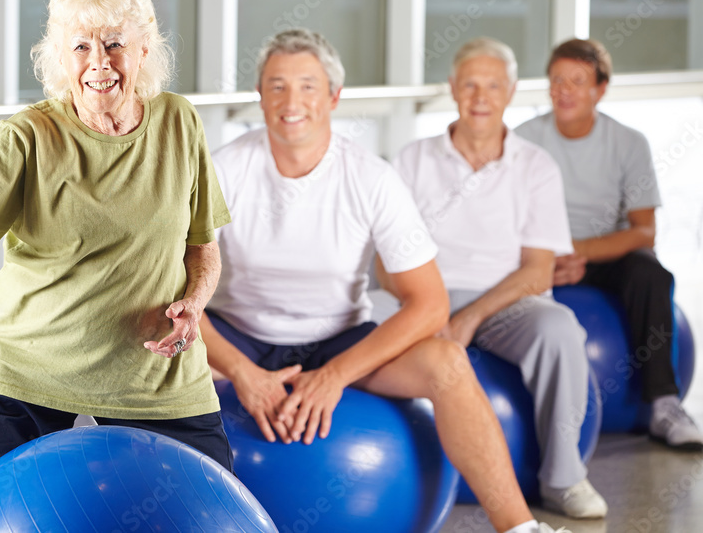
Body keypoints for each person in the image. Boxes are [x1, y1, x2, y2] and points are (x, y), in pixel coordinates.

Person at [0, 0, 233, 533]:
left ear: (144, 48)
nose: (99, 62)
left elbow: (203, 245)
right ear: (58, 57)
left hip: (153, 371)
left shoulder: (179, 122)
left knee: (218, 513)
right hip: (28, 367)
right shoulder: (26, 136)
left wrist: (195, 302)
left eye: (114, 44)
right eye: (80, 47)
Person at [203, 28, 548, 533]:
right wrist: (240, 372)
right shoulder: (224, 170)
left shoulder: (370, 178)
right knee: (151, 347)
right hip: (241, 334)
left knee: (448, 363)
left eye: (307, 86)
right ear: (260, 96)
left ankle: (521, 527)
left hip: (339, 338)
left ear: (334, 97)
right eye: (276, 86)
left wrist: (335, 375)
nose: (290, 101)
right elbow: (173, 293)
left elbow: (428, 303)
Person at [392, 37, 607, 519]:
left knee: (560, 330)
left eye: (492, 85)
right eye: (469, 84)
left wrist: (468, 318)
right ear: (451, 88)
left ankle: (564, 478)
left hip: (507, 299)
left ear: (510, 92)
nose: (480, 96)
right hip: (425, 293)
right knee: (358, 329)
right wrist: (427, 306)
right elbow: (388, 258)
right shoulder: (412, 159)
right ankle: (405, 476)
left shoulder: (535, 165)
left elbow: (537, 269)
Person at [516, 37, 702, 450]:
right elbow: (506, 220)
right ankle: (535, 412)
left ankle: (664, 405)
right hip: (541, 252)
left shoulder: (629, 142)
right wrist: (545, 259)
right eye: (557, 80)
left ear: (600, 89)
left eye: (577, 81)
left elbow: (643, 231)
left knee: (651, 273)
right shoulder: (524, 140)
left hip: (602, 252)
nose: (564, 91)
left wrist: (580, 252)